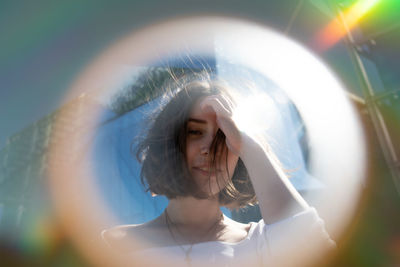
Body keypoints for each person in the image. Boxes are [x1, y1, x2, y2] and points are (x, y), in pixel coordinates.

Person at [102, 72, 335, 266]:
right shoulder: (115, 245)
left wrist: (248, 142)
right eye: (195, 132)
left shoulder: (262, 242)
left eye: (224, 136)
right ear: (169, 144)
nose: (210, 149)